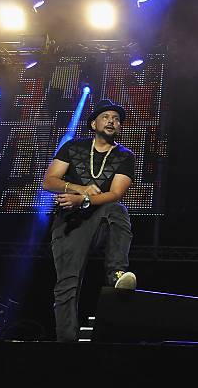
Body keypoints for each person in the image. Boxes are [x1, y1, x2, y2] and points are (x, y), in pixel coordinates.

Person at [42, 99, 137, 342]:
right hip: (70, 223)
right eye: (106, 117)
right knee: (67, 284)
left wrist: (82, 200)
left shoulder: (125, 156)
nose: (112, 121)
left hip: (100, 217)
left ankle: (116, 273)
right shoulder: (73, 147)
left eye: (116, 119)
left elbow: (115, 193)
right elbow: (49, 181)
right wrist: (80, 190)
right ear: (93, 123)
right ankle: (66, 343)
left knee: (117, 209)